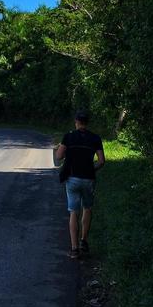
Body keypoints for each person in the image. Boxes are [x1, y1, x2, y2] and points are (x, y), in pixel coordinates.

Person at [55, 111, 105, 259]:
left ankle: (74, 249)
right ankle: (84, 241)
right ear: (87, 122)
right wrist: (92, 169)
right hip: (89, 178)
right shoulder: (95, 138)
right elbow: (101, 161)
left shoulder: (69, 136)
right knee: (87, 209)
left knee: (73, 212)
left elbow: (58, 156)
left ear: (76, 121)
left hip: (72, 178)